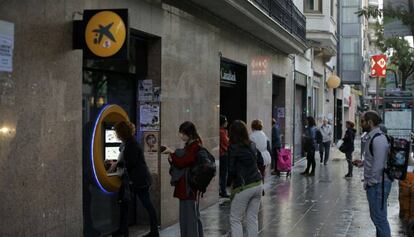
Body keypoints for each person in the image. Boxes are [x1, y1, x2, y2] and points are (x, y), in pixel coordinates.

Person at [112, 121, 159, 237]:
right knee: (125, 204)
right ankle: (123, 230)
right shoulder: (129, 143)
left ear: (122, 133)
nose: (116, 135)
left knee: (147, 205)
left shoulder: (131, 145)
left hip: (139, 181)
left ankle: (154, 232)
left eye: (117, 132)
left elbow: (130, 163)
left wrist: (116, 165)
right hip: (136, 180)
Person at [161, 121, 203, 237]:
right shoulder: (193, 144)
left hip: (188, 186)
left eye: (182, 133)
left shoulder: (194, 146)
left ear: (188, 133)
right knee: (192, 216)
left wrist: (171, 153)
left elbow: (183, 162)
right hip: (188, 186)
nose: (180, 136)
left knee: (189, 217)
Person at [228, 120, 263, 237]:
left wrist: (231, 182)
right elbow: (261, 161)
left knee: (235, 219)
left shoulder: (234, 147)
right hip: (258, 184)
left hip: (244, 186)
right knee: (252, 218)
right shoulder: (252, 144)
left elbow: (231, 169)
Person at [360, 110, 392, 237]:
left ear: (370, 122)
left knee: (379, 220)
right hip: (377, 184)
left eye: (362, 121)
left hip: (378, 184)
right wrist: (362, 163)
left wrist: (370, 183)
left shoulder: (378, 139)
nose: (361, 124)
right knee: (378, 219)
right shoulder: (372, 137)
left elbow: (378, 166)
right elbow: (375, 159)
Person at [219, 115, 230, 198]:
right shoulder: (221, 132)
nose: (227, 123)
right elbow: (227, 143)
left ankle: (221, 190)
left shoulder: (223, 131)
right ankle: (223, 191)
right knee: (224, 174)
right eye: (226, 121)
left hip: (221, 154)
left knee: (222, 173)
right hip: (223, 154)